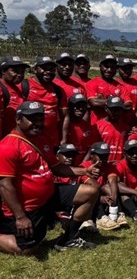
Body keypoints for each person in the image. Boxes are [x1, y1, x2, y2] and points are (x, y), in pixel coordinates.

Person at [0, 101, 100, 253]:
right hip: (28, 207)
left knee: (90, 192)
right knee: (26, 250)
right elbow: (4, 185)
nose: (38, 123)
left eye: (40, 119)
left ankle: (69, 239)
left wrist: (84, 171)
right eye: (32, 119)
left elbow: (57, 168)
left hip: (48, 197)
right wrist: (20, 217)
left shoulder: (41, 139)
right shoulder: (8, 146)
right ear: (18, 119)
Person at [27, 56, 66, 148]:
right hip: (30, 140)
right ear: (35, 69)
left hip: (51, 140)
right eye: (44, 68)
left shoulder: (58, 90)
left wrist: (64, 138)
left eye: (51, 69)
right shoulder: (24, 86)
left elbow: (65, 115)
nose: (48, 71)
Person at [61, 93, 100, 163]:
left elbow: (90, 148)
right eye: (77, 106)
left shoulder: (88, 127)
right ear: (70, 106)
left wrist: (83, 165)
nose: (81, 108)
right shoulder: (62, 126)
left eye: (83, 106)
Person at [84, 55, 121, 123]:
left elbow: (127, 106)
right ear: (100, 66)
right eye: (106, 66)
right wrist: (117, 101)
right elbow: (94, 103)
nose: (109, 70)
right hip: (96, 126)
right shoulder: (91, 83)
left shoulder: (120, 86)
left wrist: (102, 100)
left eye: (112, 67)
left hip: (115, 126)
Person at [96, 97, 131, 163]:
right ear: (106, 109)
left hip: (120, 166)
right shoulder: (97, 126)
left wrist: (121, 162)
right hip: (103, 165)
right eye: (113, 109)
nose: (116, 112)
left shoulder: (126, 128)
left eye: (119, 110)